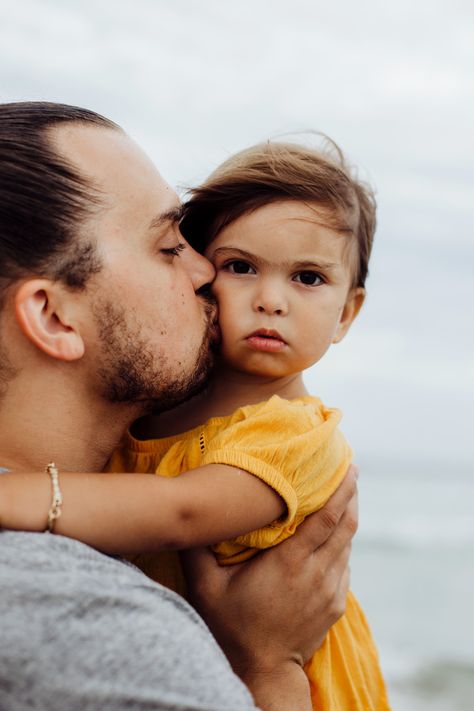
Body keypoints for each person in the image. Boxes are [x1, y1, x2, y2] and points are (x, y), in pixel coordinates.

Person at [1, 134, 389, 709]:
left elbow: (181, 510)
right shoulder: (152, 415)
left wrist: (15, 497)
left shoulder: (294, 434)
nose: (271, 300)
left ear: (347, 313)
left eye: (308, 278)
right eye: (239, 266)